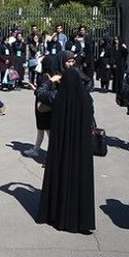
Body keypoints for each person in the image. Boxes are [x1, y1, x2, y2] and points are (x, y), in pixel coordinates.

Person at [35, 68, 95, 234]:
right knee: (79, 179)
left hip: (62, 146)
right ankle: (79, 219)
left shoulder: (58, 97)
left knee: (61, 176)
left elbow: (40, 93)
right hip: (81, 147)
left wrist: (51, 80)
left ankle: (58, 214)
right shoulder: (86, 98)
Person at [24, 55, 57, 159]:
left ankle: (52, 153)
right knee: (42, 129)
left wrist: (34, 88)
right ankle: (36, 149)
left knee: (46, 129)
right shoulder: (54, 76)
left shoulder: (44, 77)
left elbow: (41, 93)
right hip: (49, 106)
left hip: (42, 107)